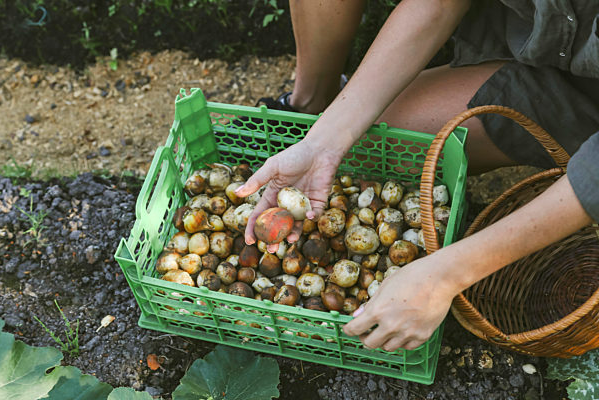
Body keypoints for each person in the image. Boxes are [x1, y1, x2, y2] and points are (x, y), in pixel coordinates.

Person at [235, 0, 599, 352]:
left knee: (378, 146)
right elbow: (437, 3)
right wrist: (322, 144)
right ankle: (312, 105)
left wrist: (447, 273)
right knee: (374, 142)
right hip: (541, 57)